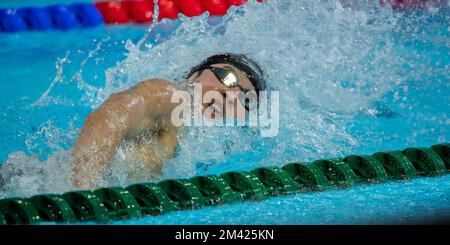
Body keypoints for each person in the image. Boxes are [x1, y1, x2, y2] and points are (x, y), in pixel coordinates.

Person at [71, 53, 266, 189]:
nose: (230, 94)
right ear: (194, 75)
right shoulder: (172, 98)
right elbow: (110, 116)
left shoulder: (207, 149)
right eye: (227, 76)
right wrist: (85, 190)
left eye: (245, 99)